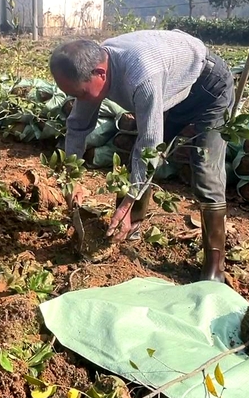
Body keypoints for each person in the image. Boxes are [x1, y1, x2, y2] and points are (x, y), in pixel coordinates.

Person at [49, 30, 235, 282]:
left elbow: (150, 146)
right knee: (133, 162)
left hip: (208, 89)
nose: (78, 99)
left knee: (205, 171)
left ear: (100, 73)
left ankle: (214, 268)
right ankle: (127, 231)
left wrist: (126, 203)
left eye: (80, 94)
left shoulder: (141, 76)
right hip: (170, 88)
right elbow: (78, 125)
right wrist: (72, 177)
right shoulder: (92, 67)